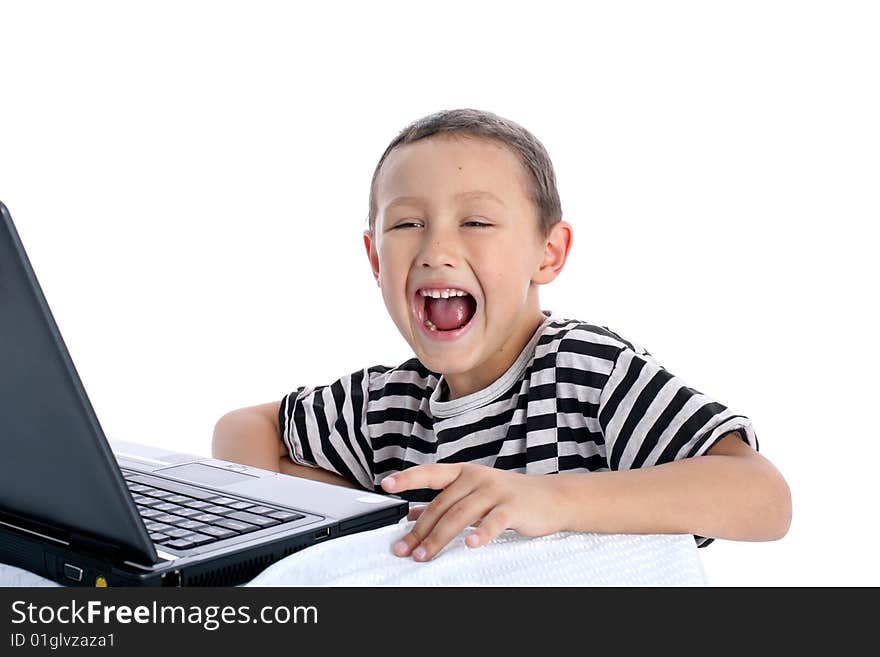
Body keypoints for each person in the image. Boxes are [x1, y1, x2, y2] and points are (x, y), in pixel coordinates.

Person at [212, 108, 791, 563]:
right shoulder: (382, 404)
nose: (436, 250)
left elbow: (763, 497)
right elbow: (242, 429)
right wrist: (308, 538)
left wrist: (548, 499)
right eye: (407, 224)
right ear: (374, 259)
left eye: (477, 222)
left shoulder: (584, 369)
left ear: (549, 252)